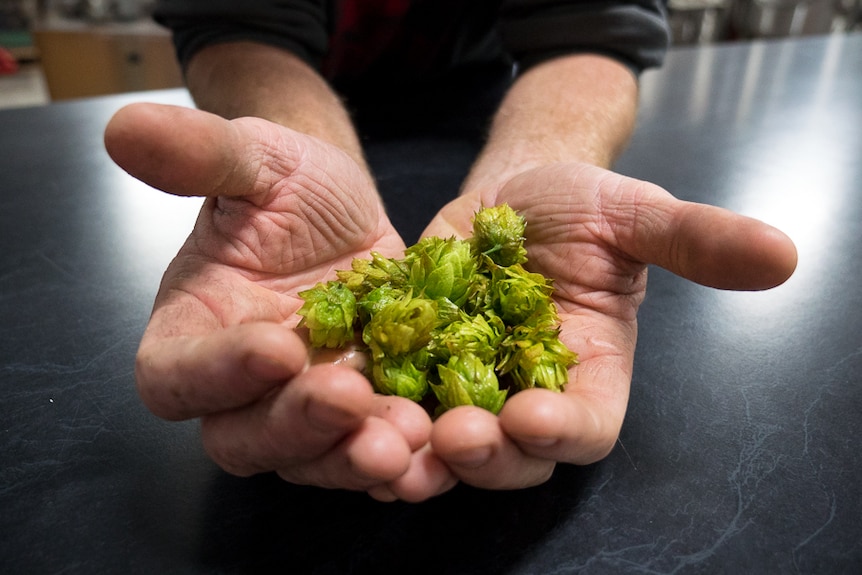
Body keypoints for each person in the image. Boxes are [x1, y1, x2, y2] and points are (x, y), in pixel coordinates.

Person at [103, 0, 798, 502]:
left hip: (499, 106)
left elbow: (594, 28)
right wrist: (295, 149)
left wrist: (540, 158)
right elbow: (237, 25)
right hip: (284, 104)